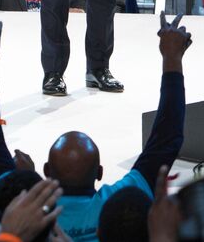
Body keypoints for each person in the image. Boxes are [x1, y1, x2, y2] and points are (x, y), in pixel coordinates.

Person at [43, 12, 190, 238]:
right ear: (100, 173)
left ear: (46, 172)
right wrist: (172, 58)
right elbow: (167, 137)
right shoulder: (119, 203)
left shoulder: (28, 214)